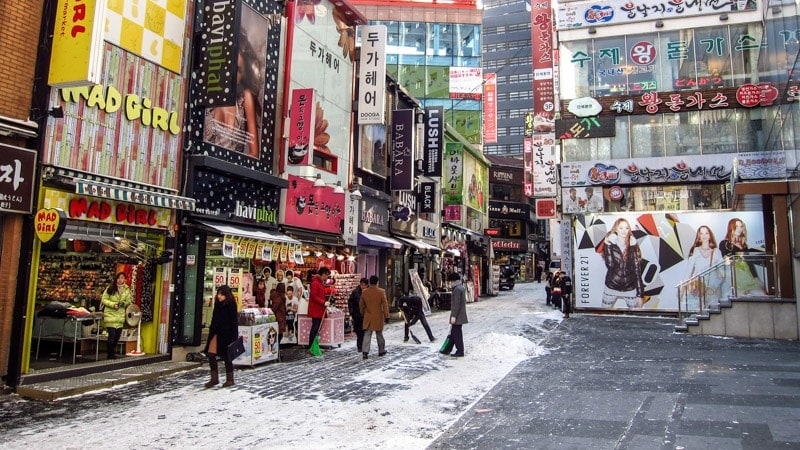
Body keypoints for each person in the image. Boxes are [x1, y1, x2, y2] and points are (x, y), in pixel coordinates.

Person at [203, 31, 262, 158]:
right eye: (230, 67)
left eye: (239, 70)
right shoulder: (209, 91)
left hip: (229, 172)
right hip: (204, 165)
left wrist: (235, 166)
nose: (234, 74)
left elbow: (254, 153)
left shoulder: (244, 98)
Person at [601, 218, 644, 308]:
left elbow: (637, 271)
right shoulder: (610, 244)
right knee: (604, 314)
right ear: (616, 229)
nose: (624, 231)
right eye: (621, 228)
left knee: (636, 316)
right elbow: (610, 265)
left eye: (626, 228)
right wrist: (607, 245)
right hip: (612, 285)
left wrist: (640, 294)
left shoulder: (633, 245)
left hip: (630, 287)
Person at [204, 285, 239, 388]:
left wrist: (234, 336)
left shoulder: (231, 304)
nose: (219, 296)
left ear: (226, 295)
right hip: (215, 333)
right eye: (218, 294)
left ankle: (230, 379)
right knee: (211, 354)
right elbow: (214, 318)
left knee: (226, 357)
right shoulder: (217, 304)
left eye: (221, 294)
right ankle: (214, 379)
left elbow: (234, 322)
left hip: (226, 334)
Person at [719, 218, 766, 296]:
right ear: (731, 228)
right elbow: (726, 261)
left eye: (741, 226)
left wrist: (756, 277)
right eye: (736, 226)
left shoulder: (743, 245)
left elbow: (749, 263)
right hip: (736, 277)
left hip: (749, 275)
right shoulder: (724, 243)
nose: (739, 229)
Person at [684, 225, 725, 310]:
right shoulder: (695, 251)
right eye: (701, 233)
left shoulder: (716, 252)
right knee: (697, 313)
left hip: (713, 289)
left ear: (710, 235)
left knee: (713, 314)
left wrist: (716, 285)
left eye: (706, 233)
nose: (704, 236)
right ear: (699, 236)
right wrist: (686, 285)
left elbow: (722, 272)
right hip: (698, 288)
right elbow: (689, 271)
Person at [100, 272, 133, 360]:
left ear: (125, 280)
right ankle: (110, 354)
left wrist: (123, 304)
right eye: (118, 278)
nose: (120, 280)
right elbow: (104, 300)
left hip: (120, 316)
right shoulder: (110, 288)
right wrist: (113, 304)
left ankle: (111, 352)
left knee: (117, 337)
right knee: (112, 336)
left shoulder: (127, 289)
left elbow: (129, 301)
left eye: (122, 278)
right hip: (110, 315)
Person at [359, 275, 390, 360]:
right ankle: (381, 350)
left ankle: (365, 352)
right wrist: (386, 315)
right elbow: (385, 304)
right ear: (377, 282)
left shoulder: (364, 292)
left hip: (368, 316)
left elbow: (361, 305)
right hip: (378, 316)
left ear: (369, 282)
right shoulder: (381, 291)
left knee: (367, 334)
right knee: (379, 334)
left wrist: (363, 313)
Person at [307, 267, 331, 354]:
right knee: (315, 328)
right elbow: (314, 296)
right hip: (316, 309)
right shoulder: (315, 283)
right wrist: (323, 302)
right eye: (326, 275)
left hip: (320, 309)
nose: (327, 278)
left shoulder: (320, 283)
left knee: (317, 328)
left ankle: (315, 346)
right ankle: (311, 347)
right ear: (323, 274)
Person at [447, 272, 468, 357]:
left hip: (458, 315)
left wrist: (453, 316)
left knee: (456, 333)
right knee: (454, 332)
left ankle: (460, 350)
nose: (449, 283)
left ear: (453, 281)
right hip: (461, 314)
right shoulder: (461, 287)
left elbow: (456, 304)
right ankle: (448, 348)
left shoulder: (457, 289)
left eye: (450, 281)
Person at [348, 277, 368, 353]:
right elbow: (350, 302)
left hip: (366, 315)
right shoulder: (355, 292)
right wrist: (352, 312)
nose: (362, 286)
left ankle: (363, 346)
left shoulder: (369, 292)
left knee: (365, 331)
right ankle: (360, 346)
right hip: (357, 315)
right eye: (361, 284)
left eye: (364, 285)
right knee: (359, 332)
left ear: (367, 285)